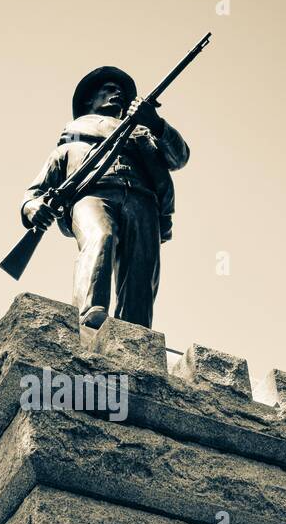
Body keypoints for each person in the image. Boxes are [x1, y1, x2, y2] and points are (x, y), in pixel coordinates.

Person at [20, 65, 190, 329]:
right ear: (90, 99)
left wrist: (154, 123)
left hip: (143, 200)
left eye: (121, 91)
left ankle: (136, 331)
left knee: (142, 264)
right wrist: (34, 208)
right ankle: (89, 314)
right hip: (93, 196)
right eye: (109, 89)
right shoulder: (71, 146)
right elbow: (34, 193)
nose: (118, 94)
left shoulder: (143, 136)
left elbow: (179, 157)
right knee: (101, 236)